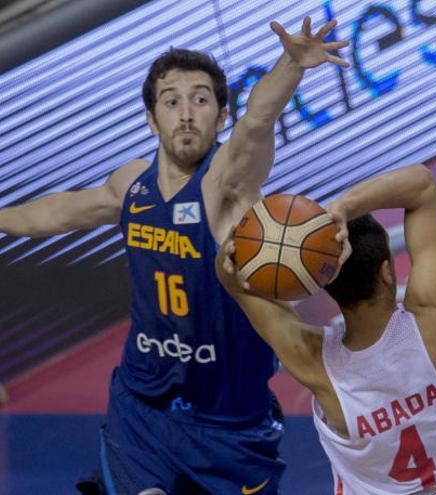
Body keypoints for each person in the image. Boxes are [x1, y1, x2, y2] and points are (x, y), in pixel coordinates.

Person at [0, 16, 349, 495]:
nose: (186, 114)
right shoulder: (130, 185)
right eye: (172, 102)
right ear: (151, 118)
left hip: (230, 420)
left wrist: (291, 64)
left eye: (201, 100)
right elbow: (57, 212)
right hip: (142, 407)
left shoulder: (227, 184)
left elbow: (259, 121)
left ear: (220, 115)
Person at [216, 164, 436, 494]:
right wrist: (343, 209)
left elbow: (231, 278)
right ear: (387, 271)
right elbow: (422, 185)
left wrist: (237, 256)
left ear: (326, 287)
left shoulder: (315, 365)